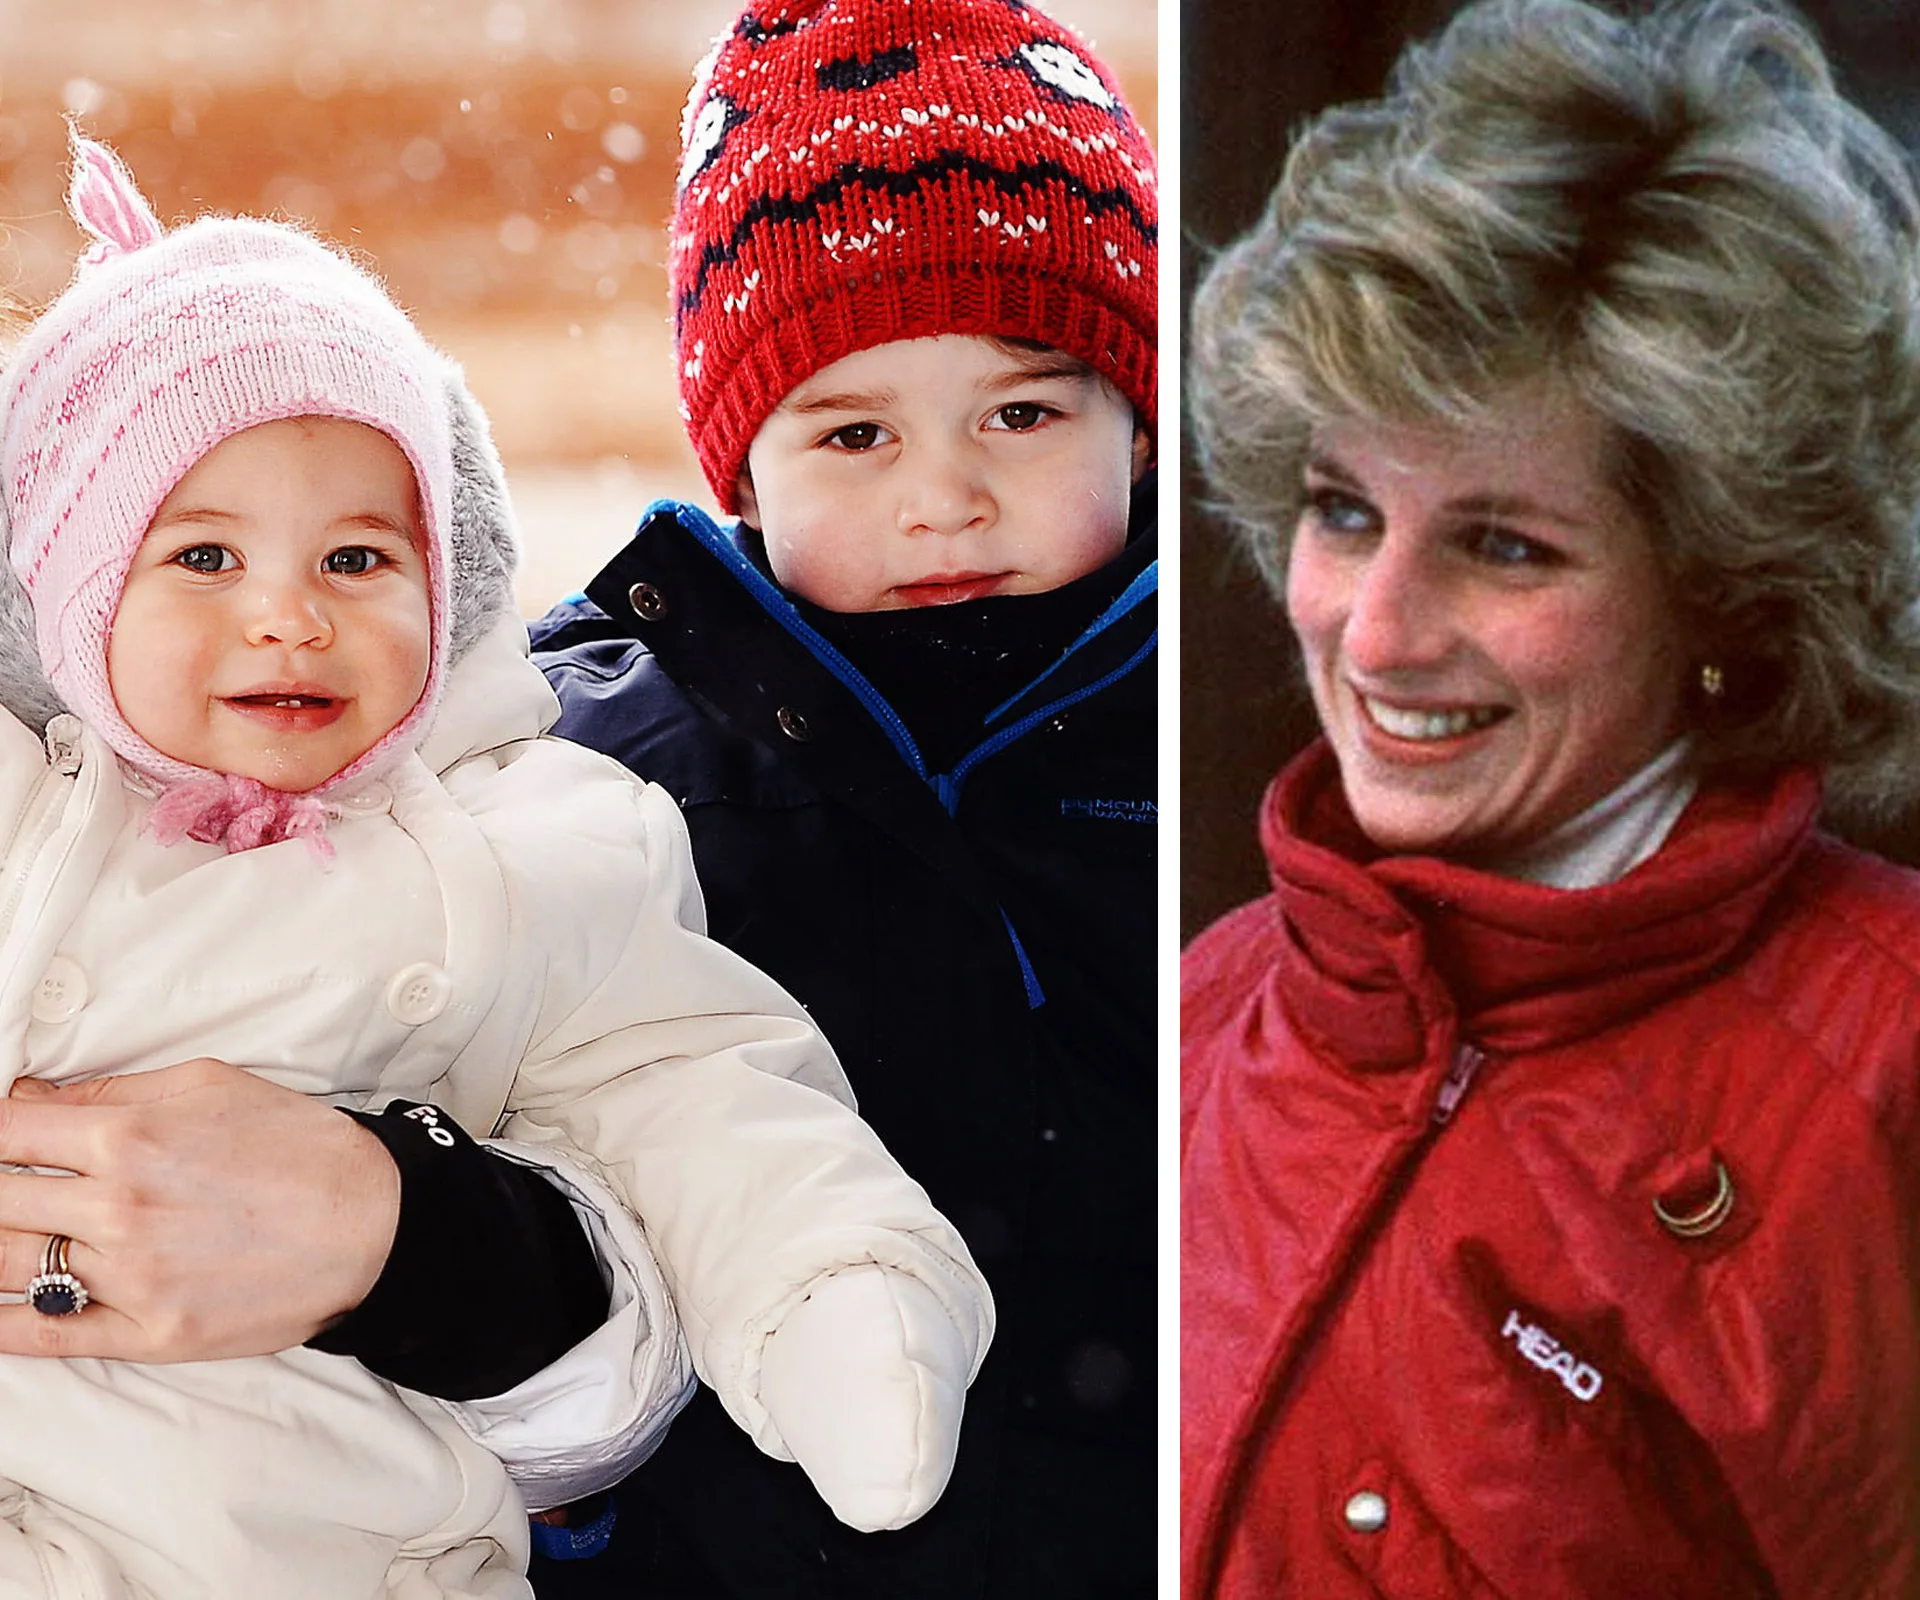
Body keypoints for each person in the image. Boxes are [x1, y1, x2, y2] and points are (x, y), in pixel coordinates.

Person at [0, 131, 993, 1599]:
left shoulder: (533, 845)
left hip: (344, 1557)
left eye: (355, 559)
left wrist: (832, 1297)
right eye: (203, 559)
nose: (289, 618)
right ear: (72, 590)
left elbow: (702, 1099)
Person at [1180, 0, 1920, 1594]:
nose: (1375, 633)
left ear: (1722, 582)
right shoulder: (1208, 1008)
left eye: (1505, 543)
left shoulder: (1887, 1062)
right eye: (1343, 511)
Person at [527, 0, 1158, 1593]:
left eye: (1022, 412)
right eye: (856, 431)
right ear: (743, 478)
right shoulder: (598, 774)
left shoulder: (1225, 732)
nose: (944, 495)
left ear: (1140, 422)